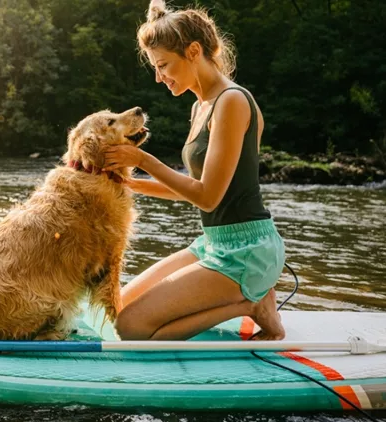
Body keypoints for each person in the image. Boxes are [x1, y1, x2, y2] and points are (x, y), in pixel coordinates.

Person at [102, 0, 286, 341]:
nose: (159, 77)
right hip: (215, 244)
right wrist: (129, 183)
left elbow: (207, 196)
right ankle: (249, 298)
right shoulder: (199, 106)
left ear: (193, 51)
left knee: (133, 328)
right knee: (120, 307)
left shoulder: (231, 101)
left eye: (164, 65)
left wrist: (143, 160)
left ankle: (252, 305)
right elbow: (194, 187)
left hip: (247, 252)